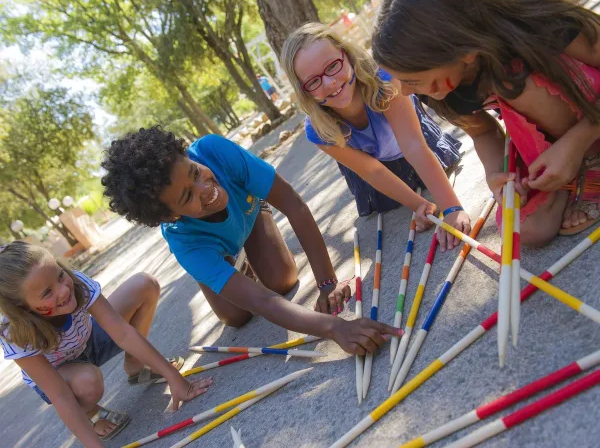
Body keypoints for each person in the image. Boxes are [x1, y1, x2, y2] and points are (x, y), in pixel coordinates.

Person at [101, 126, 399, 352]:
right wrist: (334, 328)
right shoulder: (184, 241)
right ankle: (220, 268)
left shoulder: (214, 151)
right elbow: (263, 303)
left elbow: (293, 205)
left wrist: (327, 283)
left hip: (249, 214)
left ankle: (244, 247)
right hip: (211, 249)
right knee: (236, 315)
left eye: (194, 172)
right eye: (187, 196)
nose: (204, 188)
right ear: (169, 216)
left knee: (283, 281)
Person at [372, 0, 600, 245]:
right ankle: (572, 170)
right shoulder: (436, 81)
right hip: (553, 136)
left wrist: (576, 144)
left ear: (463, 51)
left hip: (590, 113)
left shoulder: (537, 23)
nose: (406, 92)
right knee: (528, 230)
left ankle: (591, 159)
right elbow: (483, 133)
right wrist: (497, 176)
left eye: (412, 81)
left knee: (513, 83)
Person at [281, 22, 471, 252]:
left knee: (429, 169)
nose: (329, 83)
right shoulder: (318, 129)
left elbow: (414, 146)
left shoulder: (383, 79)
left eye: (332, 66)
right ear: (303, 91)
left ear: (348, 55)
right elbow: (372, 171)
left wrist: (451, 208)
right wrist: (419, 205)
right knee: (388, 202)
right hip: (373, 165)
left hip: (414, 141)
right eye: (313, 81)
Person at [0, 242, 212, 447]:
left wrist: (175, 379)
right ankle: (90, 412)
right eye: (47, 292)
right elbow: (60, 395)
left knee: (144, 284)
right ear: (21, 307)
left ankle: (136, 366)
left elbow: (122, 332)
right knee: (88, 381)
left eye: (60, 275)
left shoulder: (75, 283)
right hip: (62, 375)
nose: (63, 290)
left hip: (88, 342)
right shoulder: (15, 332)